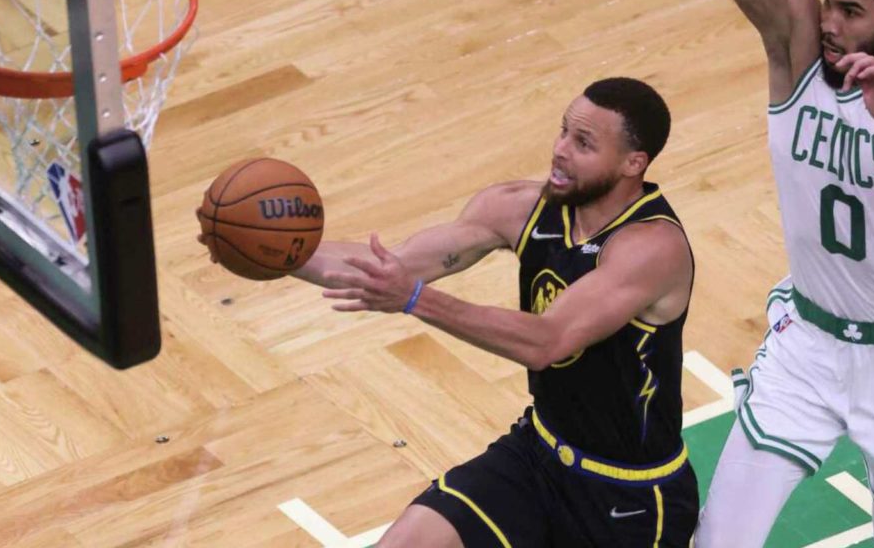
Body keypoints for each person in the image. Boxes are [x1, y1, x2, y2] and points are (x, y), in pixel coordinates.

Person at [273, 77, 697, 547]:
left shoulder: (652, 248)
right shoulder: (519, 207)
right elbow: (390, 268)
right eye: (562, 132)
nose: (559, 150)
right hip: (536, 460)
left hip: (630, 501)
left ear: (632, 163)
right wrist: (278, 254)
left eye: (583, 144)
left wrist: (414, 299)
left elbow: (546, 342)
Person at [696, 0, 874, 547]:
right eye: (828, 1)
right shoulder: (801, 51)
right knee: (721, 540)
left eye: (851, 11)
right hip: (809, 348)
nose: (829, 22)